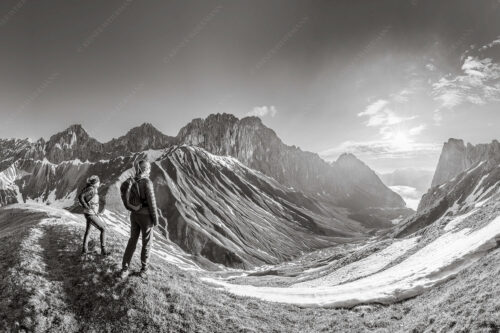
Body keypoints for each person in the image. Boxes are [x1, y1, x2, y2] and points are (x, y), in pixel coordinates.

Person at [120, 160, 159, 279]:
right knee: (146, 243)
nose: (150, 171)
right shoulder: (147, 183)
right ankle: (144, 269)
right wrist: (155, 220)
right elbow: (152, 204)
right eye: (149, 169)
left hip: (134, 215)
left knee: (132, 240)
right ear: (145, 169)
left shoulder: (132, 180)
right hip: (146, 217)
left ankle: (125, 268)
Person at [79, 175, 108, 255]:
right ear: (95, 183)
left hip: (89, 213)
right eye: (98, 181)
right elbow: (80, 197)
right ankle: (103, 250)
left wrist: (89, 207)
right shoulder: (91, 189)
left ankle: (84, 250)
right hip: (90, 214)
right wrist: (86, 206)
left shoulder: (91, 188)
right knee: (103, 229)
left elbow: (84, 198)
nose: (99, 183)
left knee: (88, 231)